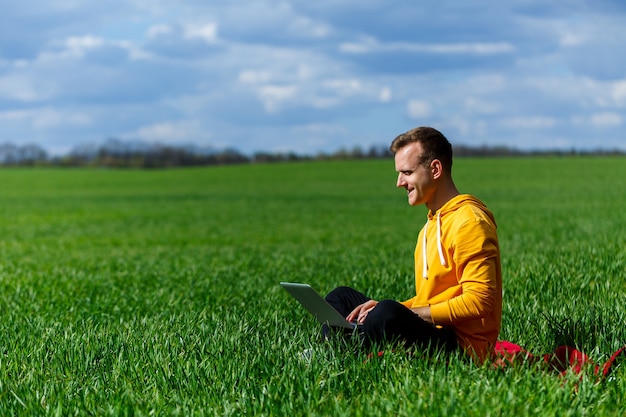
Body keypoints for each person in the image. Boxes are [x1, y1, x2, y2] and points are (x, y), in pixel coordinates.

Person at [324, 126, 502, 362]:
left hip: (462, 349)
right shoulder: (428, 228)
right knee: (342, 297)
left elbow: (481, 301)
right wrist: (401, 307)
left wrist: (402, 312)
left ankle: (344, 354)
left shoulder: (469, 222)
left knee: (386, 313)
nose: (399, 182)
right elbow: (431, 301)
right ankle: (340, 349)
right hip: (434, 332)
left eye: (407, 172)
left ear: (435, 169)